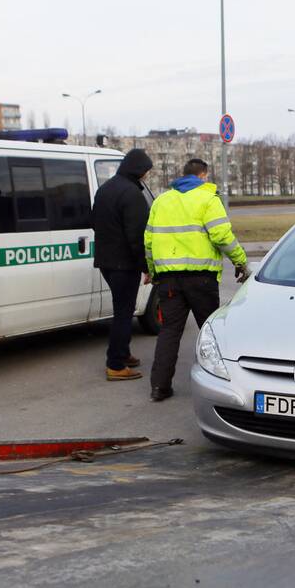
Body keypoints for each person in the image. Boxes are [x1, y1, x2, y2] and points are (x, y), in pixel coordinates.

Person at [145, 158, 248, 402]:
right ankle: (224, 387)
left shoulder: (162, 200)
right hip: (201, 279)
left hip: (168, 280)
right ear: (203, 176)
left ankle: (159, 387)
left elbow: (149, 241)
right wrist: (240, 261)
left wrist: (152, 270)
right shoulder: (208, 199)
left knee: (169, 331)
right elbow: (222, 236)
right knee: (212, 331)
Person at [92, 148, 154, 381]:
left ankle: (124, 353)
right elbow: (136, 237)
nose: (146, 175)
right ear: (138, 169)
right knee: (123, 313)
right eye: (146, 170)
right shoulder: (131, 194)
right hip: (124, 264)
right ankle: (115, 364)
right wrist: (146, 267)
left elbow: (93, 221)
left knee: (122, 310)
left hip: (106, 262)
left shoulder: (105, 189)